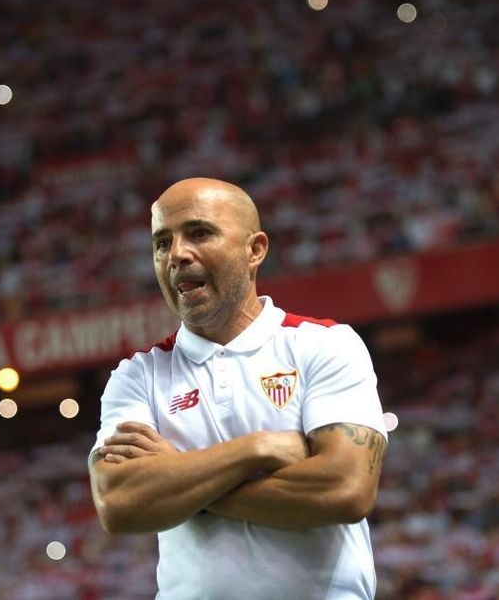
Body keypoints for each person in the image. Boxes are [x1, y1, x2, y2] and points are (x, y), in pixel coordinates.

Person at [89, 177, 388, 599]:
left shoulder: (324, 345)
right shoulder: (137, 376)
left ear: (255, 250)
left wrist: (180, 478)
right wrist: (257, 449)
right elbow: (119, 503)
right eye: (162, 242)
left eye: (199, 233)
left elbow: (345, 490)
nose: (176, 254)